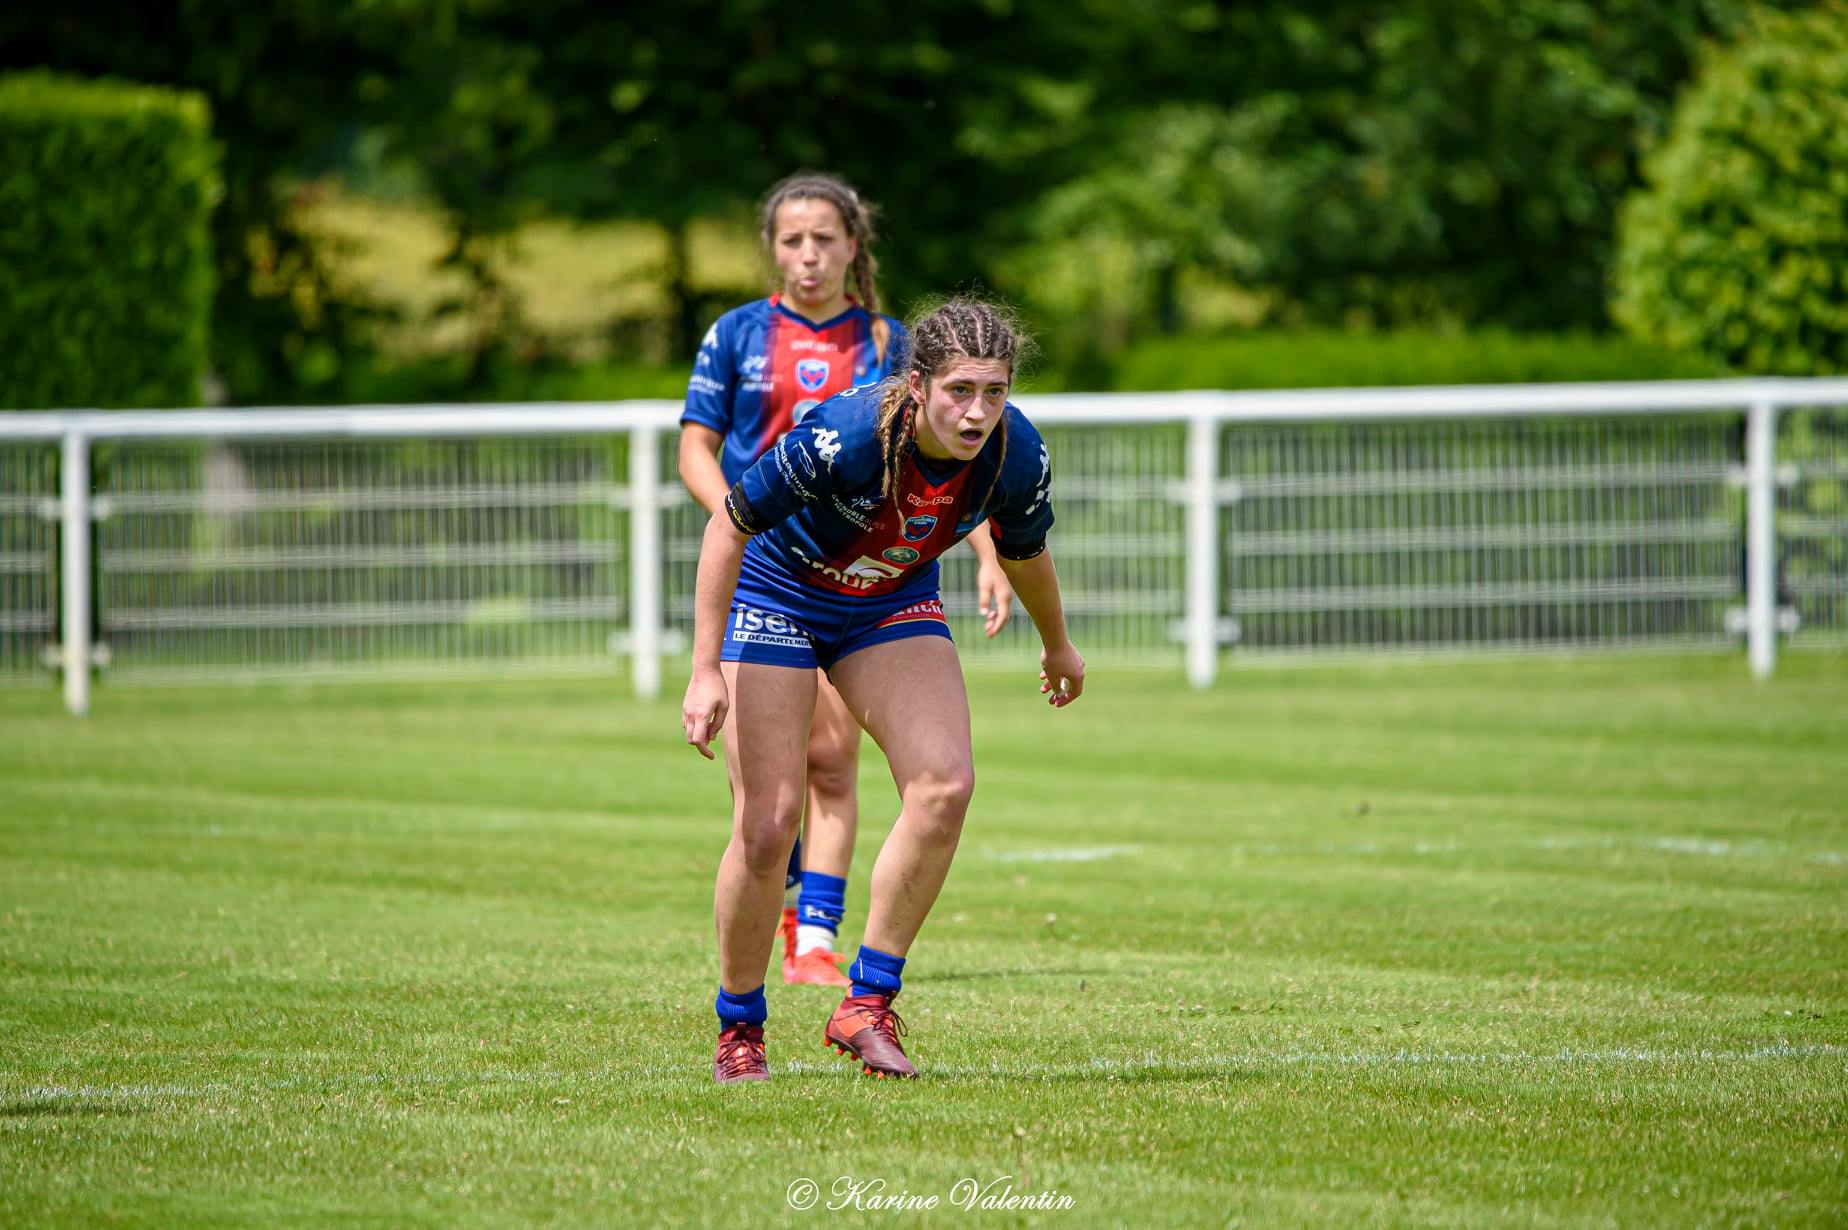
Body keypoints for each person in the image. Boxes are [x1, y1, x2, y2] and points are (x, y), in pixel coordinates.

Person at [682, 298, 1086, 1082]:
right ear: (919, 383)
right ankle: (741, 1029)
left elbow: (1026, 551)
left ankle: (866, 1003)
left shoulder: (1018, 454)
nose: (977, 412)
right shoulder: (849, 435)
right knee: (768, 826)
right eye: (960, 391)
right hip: (780, 596)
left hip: (890, 604)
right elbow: (729, 525)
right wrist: (704, 669)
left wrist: (1058, 643)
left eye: (995, 391)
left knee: (945, 785)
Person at [680, 173, 1014, 988]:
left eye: (823, 239)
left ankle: (815, 940)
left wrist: (988, 557)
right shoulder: (737, 334)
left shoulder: (890, 342)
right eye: (792, 240)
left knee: (832, 755)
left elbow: (943, 469)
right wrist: (738, 512)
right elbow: (696, 445)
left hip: (869, 581)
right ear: (773, 249)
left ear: (852, 247)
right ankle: (769, 944)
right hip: (767, 562)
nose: (808, 255)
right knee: (771, 803)